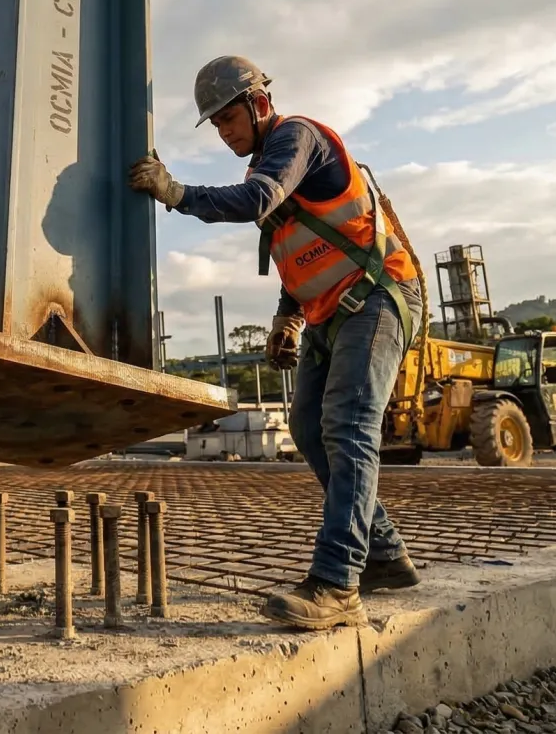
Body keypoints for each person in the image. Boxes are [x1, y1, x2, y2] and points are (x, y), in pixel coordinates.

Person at [127, 57, 424, 631]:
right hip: (327, 310)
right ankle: (384, 555)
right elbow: (302, 253)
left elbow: (257, 200)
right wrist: (287, 320)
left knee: (348, 425)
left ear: (260, 103)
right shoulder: (269, 163)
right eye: (214, 125)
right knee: (308, 428)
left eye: (229, 117)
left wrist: (176, 191)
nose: (224, 131)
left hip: (378, 295)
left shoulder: (297, 138)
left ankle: (338, 582)